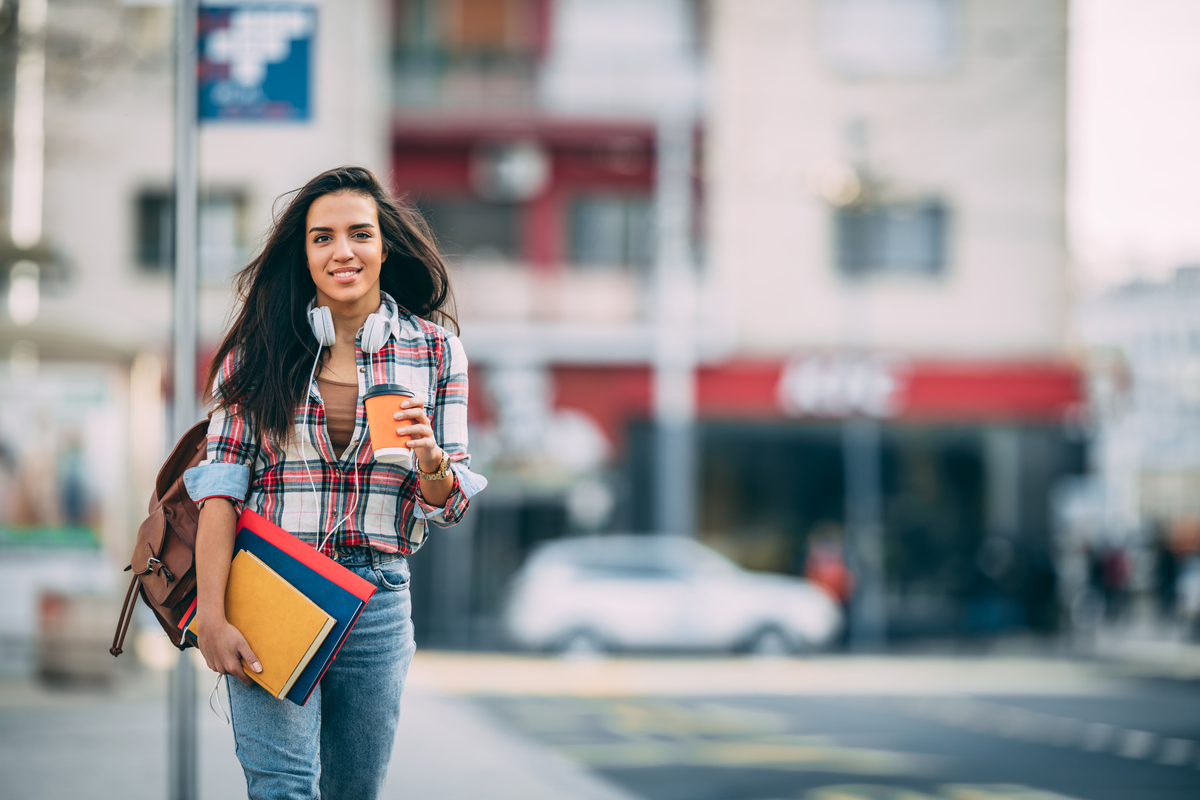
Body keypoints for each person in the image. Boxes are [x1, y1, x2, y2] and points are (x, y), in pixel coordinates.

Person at [181, 166, 487, 799]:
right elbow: (220, 493)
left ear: (383, 245)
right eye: (322, 238)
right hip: (271, 585)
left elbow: (450, 505)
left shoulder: (436, 352)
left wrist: (430, 457)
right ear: (305, 254)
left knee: (354, 792)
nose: (341, 251)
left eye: (358, 233)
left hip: (377, 595)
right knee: (283, 788)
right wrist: (211, 615)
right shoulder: (259, 350)